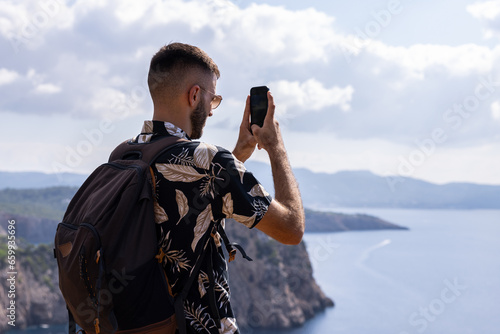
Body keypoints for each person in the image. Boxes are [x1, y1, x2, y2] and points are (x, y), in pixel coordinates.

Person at [138, 42, 304, 334]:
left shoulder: (125, 155)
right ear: (194, 95)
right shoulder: (209, 161)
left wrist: (238, 153)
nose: (212, 111)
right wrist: (276, 147)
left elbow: (196, 204)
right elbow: (292, 229)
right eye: (213, 100)